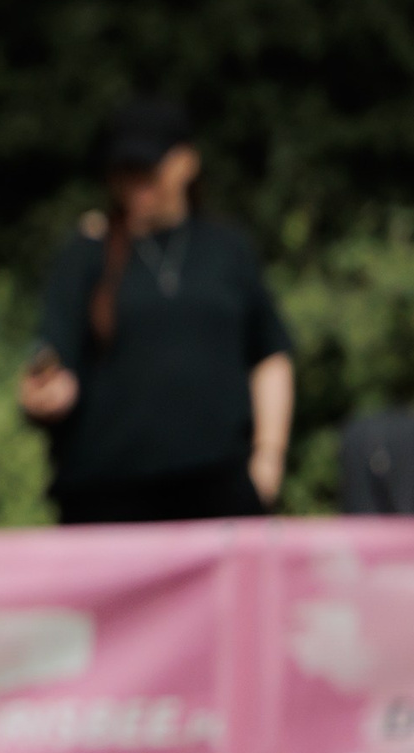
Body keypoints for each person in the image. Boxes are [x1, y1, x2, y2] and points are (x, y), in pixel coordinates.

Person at [17, 99, 293, 523]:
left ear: (186, 163)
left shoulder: (226, 249)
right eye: (124, 170)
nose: (135, 182)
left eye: (147, 168)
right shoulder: (87, 251)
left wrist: (268, 457)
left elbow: (270, 354)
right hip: (106, 494)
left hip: (218, 487)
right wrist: (45, 392)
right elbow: (53, 353)